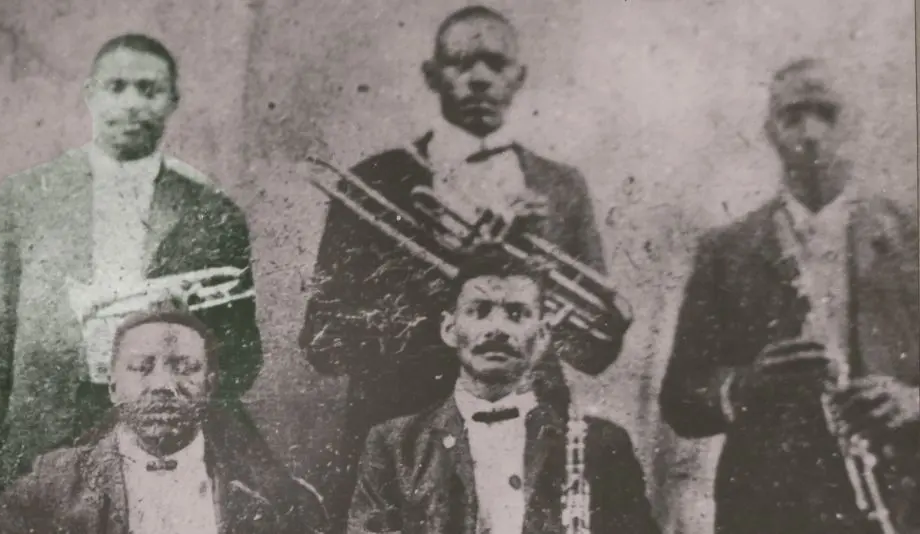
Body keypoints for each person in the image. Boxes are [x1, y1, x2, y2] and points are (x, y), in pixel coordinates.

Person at [299, 6, 613, 529]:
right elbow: (324, 343)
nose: (480, 78)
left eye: (496, 63)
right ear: (432, 75)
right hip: (402, 445)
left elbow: (595, 351)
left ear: (519, 77)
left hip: (533, 442)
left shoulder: (562, 188)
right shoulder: (372, 182)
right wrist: (448, 275)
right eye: (461, 63)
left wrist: (532, 273)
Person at [0, 33, 263, 522]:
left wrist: (185, 331)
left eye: (150, 90)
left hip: (163, 446)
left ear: (173, 101)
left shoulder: (214, 212)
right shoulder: (26, 198)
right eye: (116, 87)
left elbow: (243, 360)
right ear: (90, 94)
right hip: (42, 444)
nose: (132, 104)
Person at [660, 58, 919, 534]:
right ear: (769, 132)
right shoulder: (727, 249)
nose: (812, 133)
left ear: (856, 123)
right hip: (766, 510)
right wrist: (743, 388)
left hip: (899, 502)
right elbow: (680, 400)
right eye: (793, 116)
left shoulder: (910, 236)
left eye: (827, 113)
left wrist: (913, 401)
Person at [348, 245, 657, 534]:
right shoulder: (395, 445)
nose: (497, 328)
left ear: (542, 334)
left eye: (516, 314)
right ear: (449, 329)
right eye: (479, 311)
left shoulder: (601, 445)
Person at [0, 304, 327, 534]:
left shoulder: (268, 490)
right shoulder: (56, 481)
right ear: (112, 386)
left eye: (185, 368)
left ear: (210, 385)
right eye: (141, 367)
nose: (163, 385)